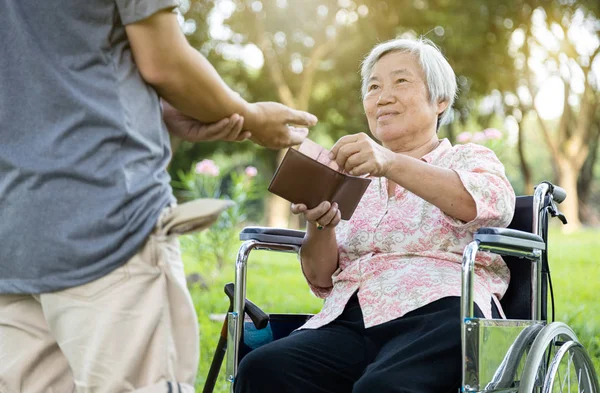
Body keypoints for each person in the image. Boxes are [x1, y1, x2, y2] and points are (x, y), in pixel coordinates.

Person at [0, 1, 317, 393]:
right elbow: (163, 61)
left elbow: (34, 72)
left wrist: (154, 110)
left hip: (12, 237)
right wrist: (251, 118)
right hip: (109, 223)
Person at [235, 37, 515, 393]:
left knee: (383, 387)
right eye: (373, 87)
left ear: (440, 101)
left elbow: (492, 205)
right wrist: (320, 223)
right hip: (353, 315)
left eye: (401, 82)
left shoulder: (467, 159)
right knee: (264, 369)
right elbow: (321, 277)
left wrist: (391, 162)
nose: (383, 97)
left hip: (441, 312)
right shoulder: (352, 180)